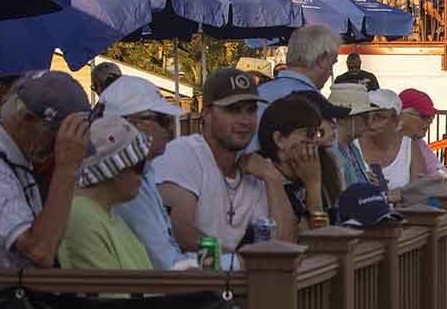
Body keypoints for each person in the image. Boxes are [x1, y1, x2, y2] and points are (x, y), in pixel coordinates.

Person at [156, 68, 298, 253]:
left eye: (251, 110)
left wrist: (273, 179)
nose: (245, 120)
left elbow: (284, 245)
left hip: (227, 278)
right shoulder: (184, 153)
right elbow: (183, 233)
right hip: (182, 278)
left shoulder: (255, 171)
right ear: (206, 113)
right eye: (233, 110)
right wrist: (239, 264)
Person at [0, 71, 91, 268]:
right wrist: (66, 170)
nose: (58, 146)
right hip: (0, 295)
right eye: (56, 135)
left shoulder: (14, 162)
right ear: (26, 120)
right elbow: (41, 251)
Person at [100, 76, 192, 270]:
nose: (170, 127)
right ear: (133, 124)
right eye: (163, 119)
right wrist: (234, 263)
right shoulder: (123, 181)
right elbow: (166, 265)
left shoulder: (146, 169)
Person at [59, 116, 154, 270]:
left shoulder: (108, 215)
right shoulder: (81, 217)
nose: (143, 174)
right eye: (139, 165)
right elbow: (110, 293)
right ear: (114, 169)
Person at [256, 94, 330, 229]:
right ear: (280, 139)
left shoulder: (307, 175)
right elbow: (315, 239)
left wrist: (313, 184)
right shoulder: (261, 180)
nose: (316, 141)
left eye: (318, 133)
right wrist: (313, 186)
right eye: (309, 134)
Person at [357, 89, 425, 193]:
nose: (370, 122)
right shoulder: (352, 144)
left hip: (400, 209)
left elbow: (419, 193)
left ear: (396, 120)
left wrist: (399, 195)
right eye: (366, 116)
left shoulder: (408, 146)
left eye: (379, 117)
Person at [327, 83, 376, 188]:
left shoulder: (352, 147)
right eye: (365, 117)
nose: (369, 123)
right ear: (344, 117)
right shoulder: (331, 152)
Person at [397, 89, 447, 179]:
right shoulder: (386, 141)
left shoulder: (418, 143)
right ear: (402, 115)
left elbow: (444, 178)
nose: (429, 122)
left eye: (431, 117)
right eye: (424, 117)